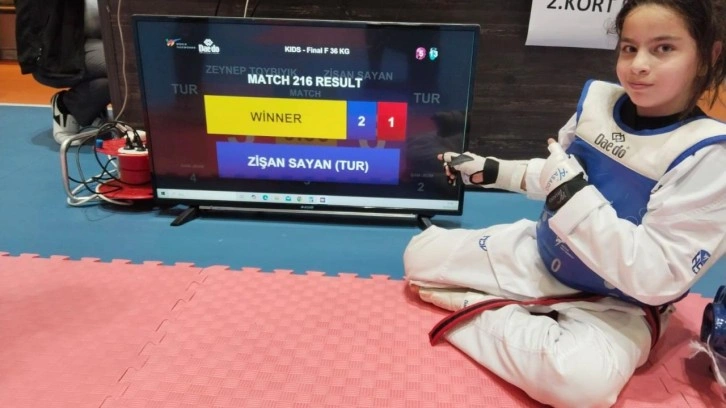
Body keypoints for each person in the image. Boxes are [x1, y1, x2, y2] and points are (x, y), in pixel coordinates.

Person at [403, 0, 726, 407]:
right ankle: (523, 313)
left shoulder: (708, 156)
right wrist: (494, 170)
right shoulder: (598, 105)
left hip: (619, 306)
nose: (639, 65)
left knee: (579, 385)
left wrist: (571, 195)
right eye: (629, 48)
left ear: (707, 55)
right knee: (419, 256)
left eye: (663, 48)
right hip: (543, 256)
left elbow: (654, 276)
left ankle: (471, 306)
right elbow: (558, 173)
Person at [14, 0, 110, 144]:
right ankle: (68, 106)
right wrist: (32, 56)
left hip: (99, 41)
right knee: (124, 66)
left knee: (131, 65)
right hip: (60, 51)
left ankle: (93, 108)